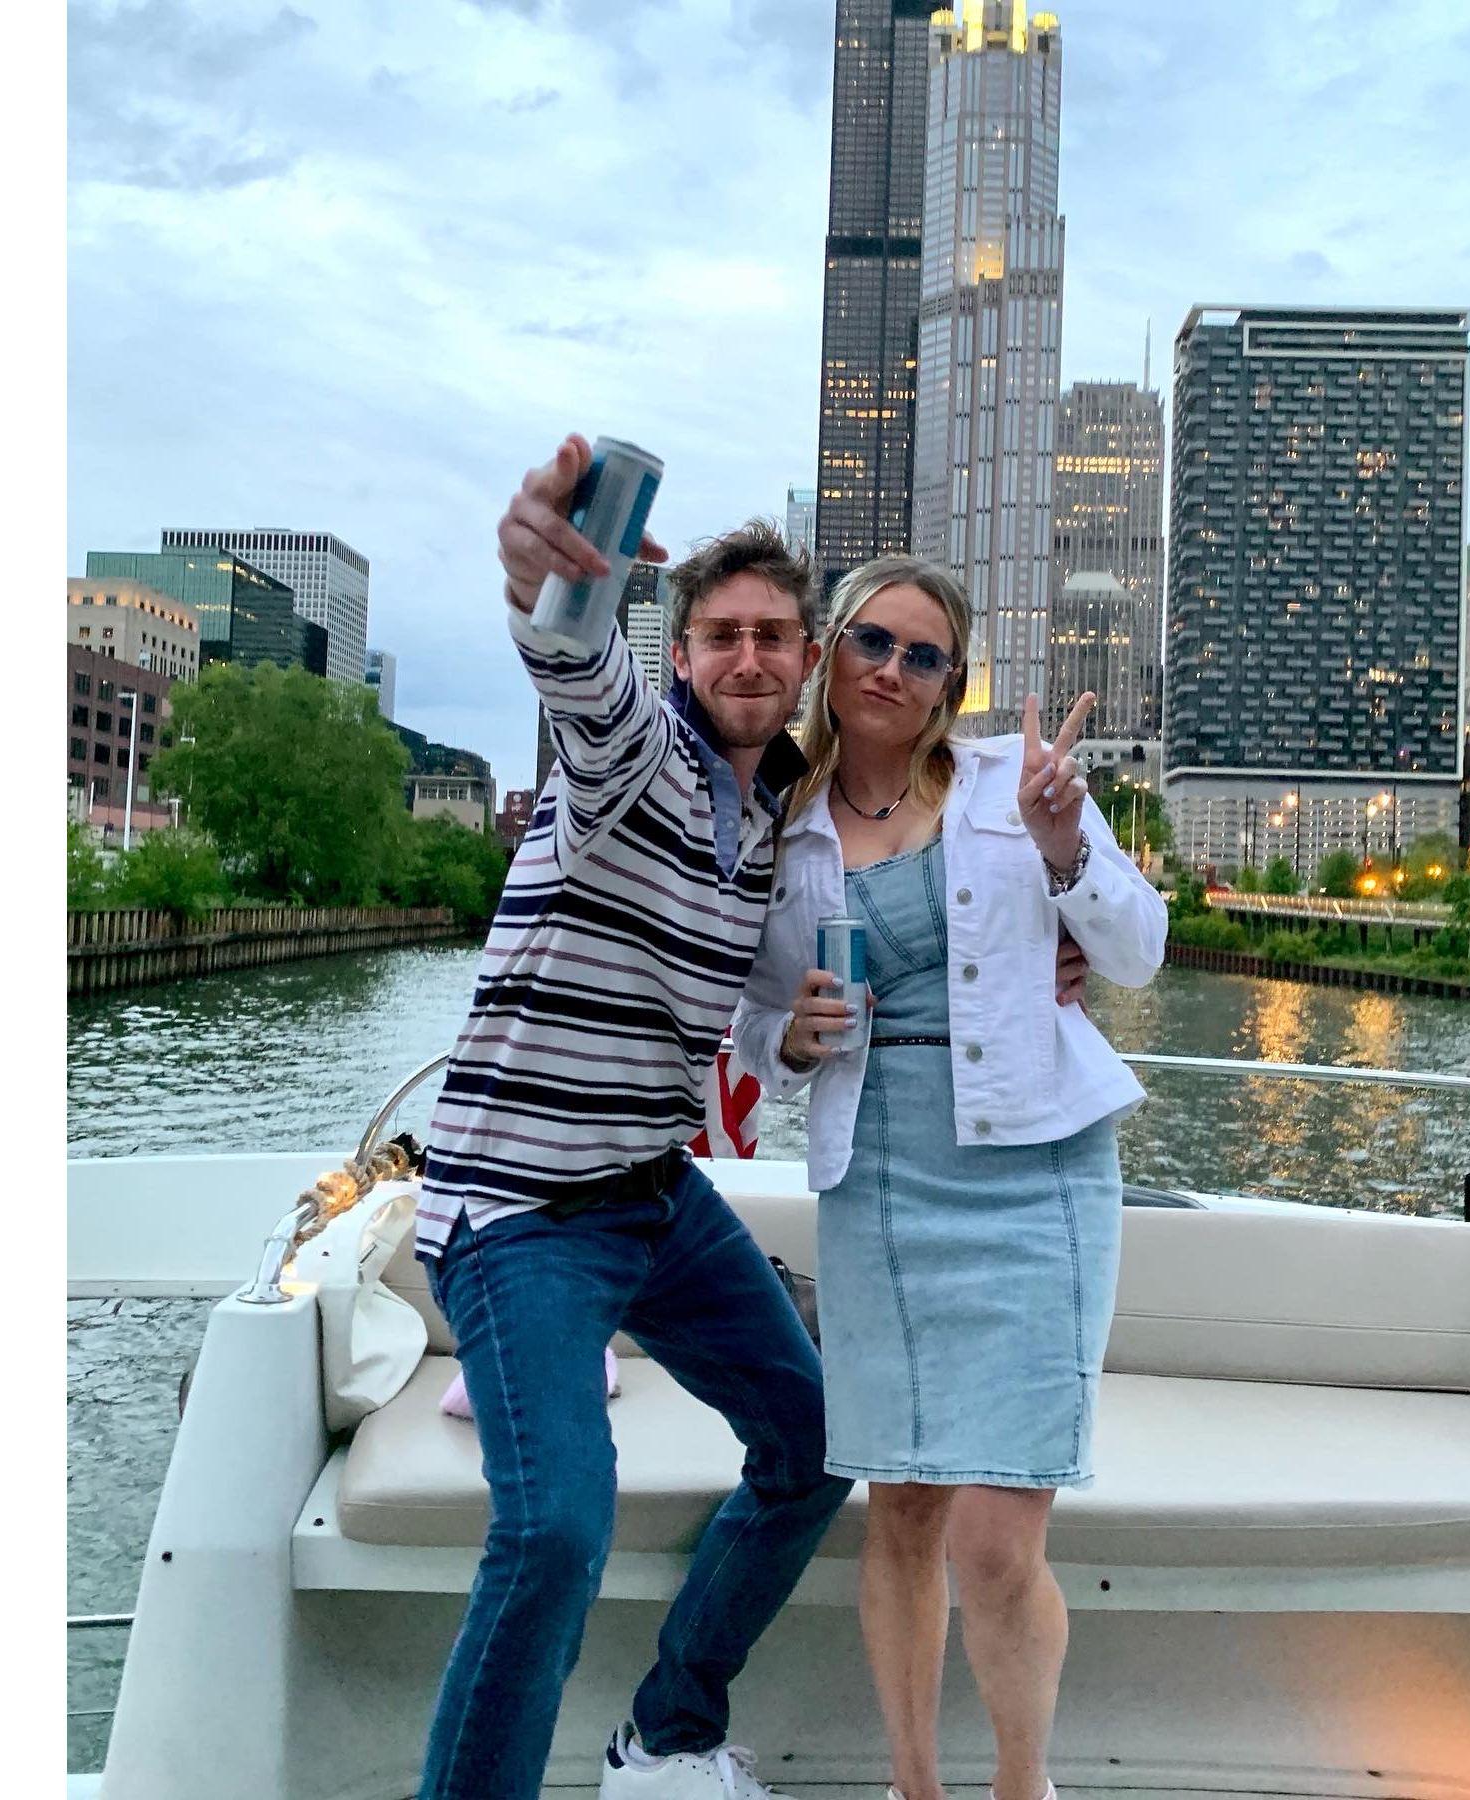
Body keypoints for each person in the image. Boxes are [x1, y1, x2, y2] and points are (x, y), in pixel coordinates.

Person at [414, 439, 1093, 1800]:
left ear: (808, 662)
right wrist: (545, 570)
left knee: (809, 1442)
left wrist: (1044, 945)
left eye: (775, 635)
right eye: (720, 634)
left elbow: (820, 970)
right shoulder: (631, 760)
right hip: (516, 1208)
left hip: (651, 1196)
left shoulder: (779, 814)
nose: (747, 655)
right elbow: (574, 665)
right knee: (554, 1532)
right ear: (680, 656)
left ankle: (665, 1732)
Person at [731, 555, 1169, 1800]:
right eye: (873, 641)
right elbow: (749, 1014)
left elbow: (1135, 957)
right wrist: (790, 1036)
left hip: (1034, 1170)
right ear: (831, 654)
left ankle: (1020, 1784)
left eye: (925, 656)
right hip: (879, 1175)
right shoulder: (781, 821)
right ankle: (914, 1785)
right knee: (904, 1507)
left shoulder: (1009, 789)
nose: (893, 671)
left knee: (992, 1537)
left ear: (952, 683)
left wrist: (1067, 846)